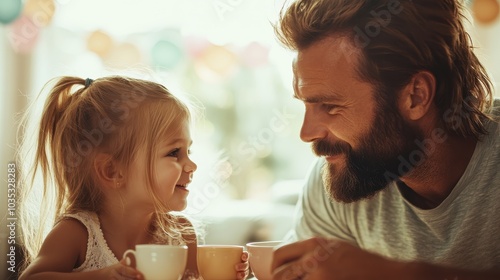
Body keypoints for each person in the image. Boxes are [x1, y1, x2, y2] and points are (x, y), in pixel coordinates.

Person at [271, 0, 500, 279]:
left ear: (416, 96)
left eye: (330, 106)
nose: (307, 133)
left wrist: (390, 274)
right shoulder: (341, 174)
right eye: (306, 105)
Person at [18, 76, 249, 280]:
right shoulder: (78, 233)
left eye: (188, 151)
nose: (192, 165)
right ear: (113, 172)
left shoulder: (181, 234)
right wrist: (103, 276)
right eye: (173, 153)